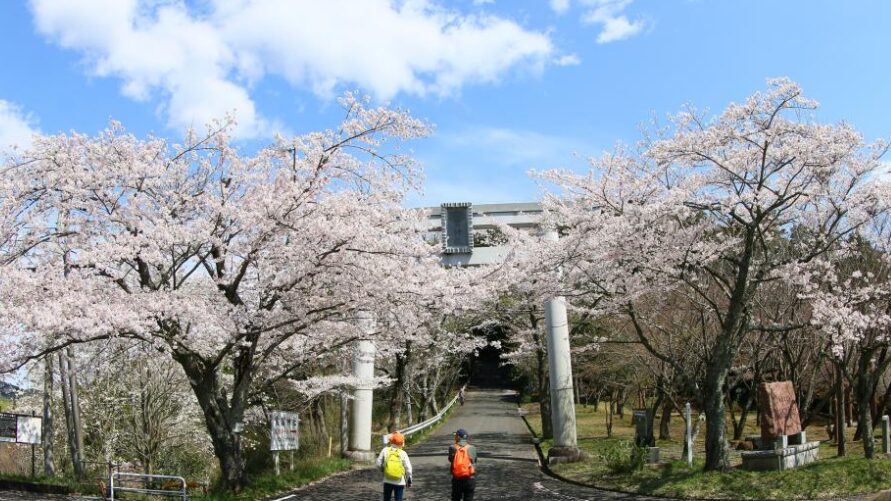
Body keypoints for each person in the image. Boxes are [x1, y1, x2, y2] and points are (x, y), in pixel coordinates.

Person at [377, 432, 413, 501]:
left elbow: (378, 463)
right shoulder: (403, 453)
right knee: (398, 499)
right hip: (399, 481)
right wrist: (409, 480)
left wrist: (384, 470)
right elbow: (408, 469)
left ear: (391, 441)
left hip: (387, 480)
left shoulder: (385, 450)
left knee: (386, 499)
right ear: (402, 443)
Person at [448, 428, 477, 501]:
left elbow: (450, 459)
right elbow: (475, 461)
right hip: (470, 479)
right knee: (468, 498)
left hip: (457, 479)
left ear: (458, 437)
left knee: (455, 498)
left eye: (456, 436)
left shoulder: (452, 447)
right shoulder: (472, 448)